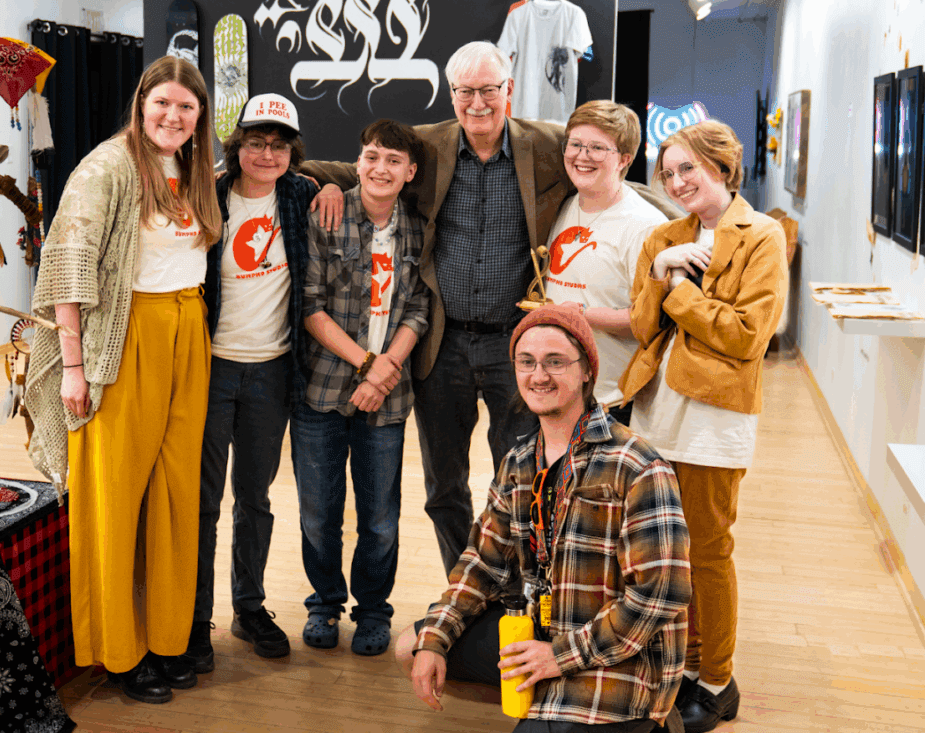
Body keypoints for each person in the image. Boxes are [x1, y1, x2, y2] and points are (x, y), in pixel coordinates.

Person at [302, 41, 573, 574]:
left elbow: (613, 173)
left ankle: (518, 586)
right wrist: (324, 182)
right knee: (444, 484)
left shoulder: (547, 145)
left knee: (521, 477)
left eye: (488, 90)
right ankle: (463, 584)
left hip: (514, 342)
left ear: (508, 90)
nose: (478, 103)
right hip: (442, 343)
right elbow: (362, 165)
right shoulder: (429, 145)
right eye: (465, 91)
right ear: (451, 94)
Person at [25, 55, 220, 704]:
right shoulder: (106, 167)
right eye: (162, 102)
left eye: (186, 106)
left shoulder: (194, 169)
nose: (173, 115)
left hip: (187, 329)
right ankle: (118, 650)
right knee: (114, 496)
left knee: (173, 493)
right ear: (141, 103)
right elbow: (67, 265)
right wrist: (73, 367)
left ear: (200, 116)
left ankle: (165, 638)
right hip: (123, 337)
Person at [395, 303, 691, 732]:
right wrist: (436, 637)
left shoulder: (637, 465)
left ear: (587, 370)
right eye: (527, 362)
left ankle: (643, 722)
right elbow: (482, 564)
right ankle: (543, 708)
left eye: (555, 362)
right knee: (412, 646)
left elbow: (660, 595)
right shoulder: (519, 462)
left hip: (618, 654)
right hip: (544, 627)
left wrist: (558, 657)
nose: (539, 376)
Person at [620, 120, 787, 733]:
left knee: (708, 552)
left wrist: (676, 291)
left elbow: (746, 335)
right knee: (669, 552)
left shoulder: (762, 235)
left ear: (721, 165)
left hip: (714, 417)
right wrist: (659, 269)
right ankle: (686, 666)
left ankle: (717, 681)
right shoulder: (665, 236)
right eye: (667, 173)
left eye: (687, 168)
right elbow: (643, 326)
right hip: (654, 410)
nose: (676, 182)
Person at [187, 94, 320, 672]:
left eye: (279, 145)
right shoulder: (208, 196)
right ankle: (194, 618)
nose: (267, 154)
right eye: (256, 143)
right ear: (236, 146)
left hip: (273, 369)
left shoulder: (301, 195)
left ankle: (248, 606)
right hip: (211, 367)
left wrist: (331, 185)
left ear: (293, 152)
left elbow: (349, 174)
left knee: (255, 498)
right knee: (202, 501)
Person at [292, 119, 429, 657]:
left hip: (388, 395)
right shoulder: (326, 215)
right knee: (319, 513)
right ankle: (324, 603)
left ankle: (373, 610)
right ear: (358, 162)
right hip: (323, 389)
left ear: (410, 172)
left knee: (379, 518)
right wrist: (368, 365)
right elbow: (309, 306)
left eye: (393, 161)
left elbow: (418, 306)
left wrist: (385, 370)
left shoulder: (417, 226)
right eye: (372, 156)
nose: (380, 168)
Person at [544, 100, 668, 426]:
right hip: (555, 394)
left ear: (624, 159)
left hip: (611, 402)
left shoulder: (645, 225)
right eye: (575, 144)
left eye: (597, 148)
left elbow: (651, 318)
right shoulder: (562, 207)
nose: (582, 156)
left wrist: (581, 315)